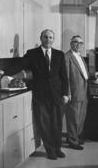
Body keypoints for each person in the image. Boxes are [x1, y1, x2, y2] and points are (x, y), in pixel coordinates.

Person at [13, 29, 69, 160]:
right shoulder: (32, 54)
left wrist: (66, 93)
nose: (48, 40)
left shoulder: (59, 54)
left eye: (50, 37)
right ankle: (50, 151)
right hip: (40, 94)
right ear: (41, 38)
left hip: (57, 94)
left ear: (53, 39)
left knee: (57, 123)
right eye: (45, 37)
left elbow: (64, 76)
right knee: (44, 122)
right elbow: (20, 65)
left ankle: (57, 148)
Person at [64, 35, 89, 150]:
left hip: (83, 91)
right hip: (74, 92)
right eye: (76, 42)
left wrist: (94, 75)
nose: (78, 45)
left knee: (80, 118)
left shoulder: (80, 56)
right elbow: (66, 77)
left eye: (81, 43)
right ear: (71, 43)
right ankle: (72, 140)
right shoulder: (67, 57)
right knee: (73, 118)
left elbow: (84, 74)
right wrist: (68, 93)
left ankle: (76, 137)